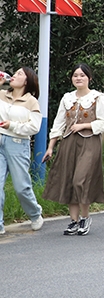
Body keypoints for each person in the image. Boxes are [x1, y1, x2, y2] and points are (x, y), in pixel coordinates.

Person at [42, 64, 104, 236]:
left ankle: (85, 217)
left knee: (81, 179)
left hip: (90, 142)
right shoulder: (67, 98)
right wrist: (50, 147)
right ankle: (73, 220)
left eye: (82, 75)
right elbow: (58, 123)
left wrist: (84, 125)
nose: (78, 78)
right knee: (69, 180)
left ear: (89, 78)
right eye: (75, 75)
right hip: (68, 143)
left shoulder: (98, 97)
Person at [0, 67, 44, 235]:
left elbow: (34, 126)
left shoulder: (31, 101)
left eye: (19, 74)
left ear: (27, 81)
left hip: (18, 144)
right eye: (15, 73)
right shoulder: (3, 94)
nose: (14, 75)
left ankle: (35, 214)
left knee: (21, 187)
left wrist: (13, 126)